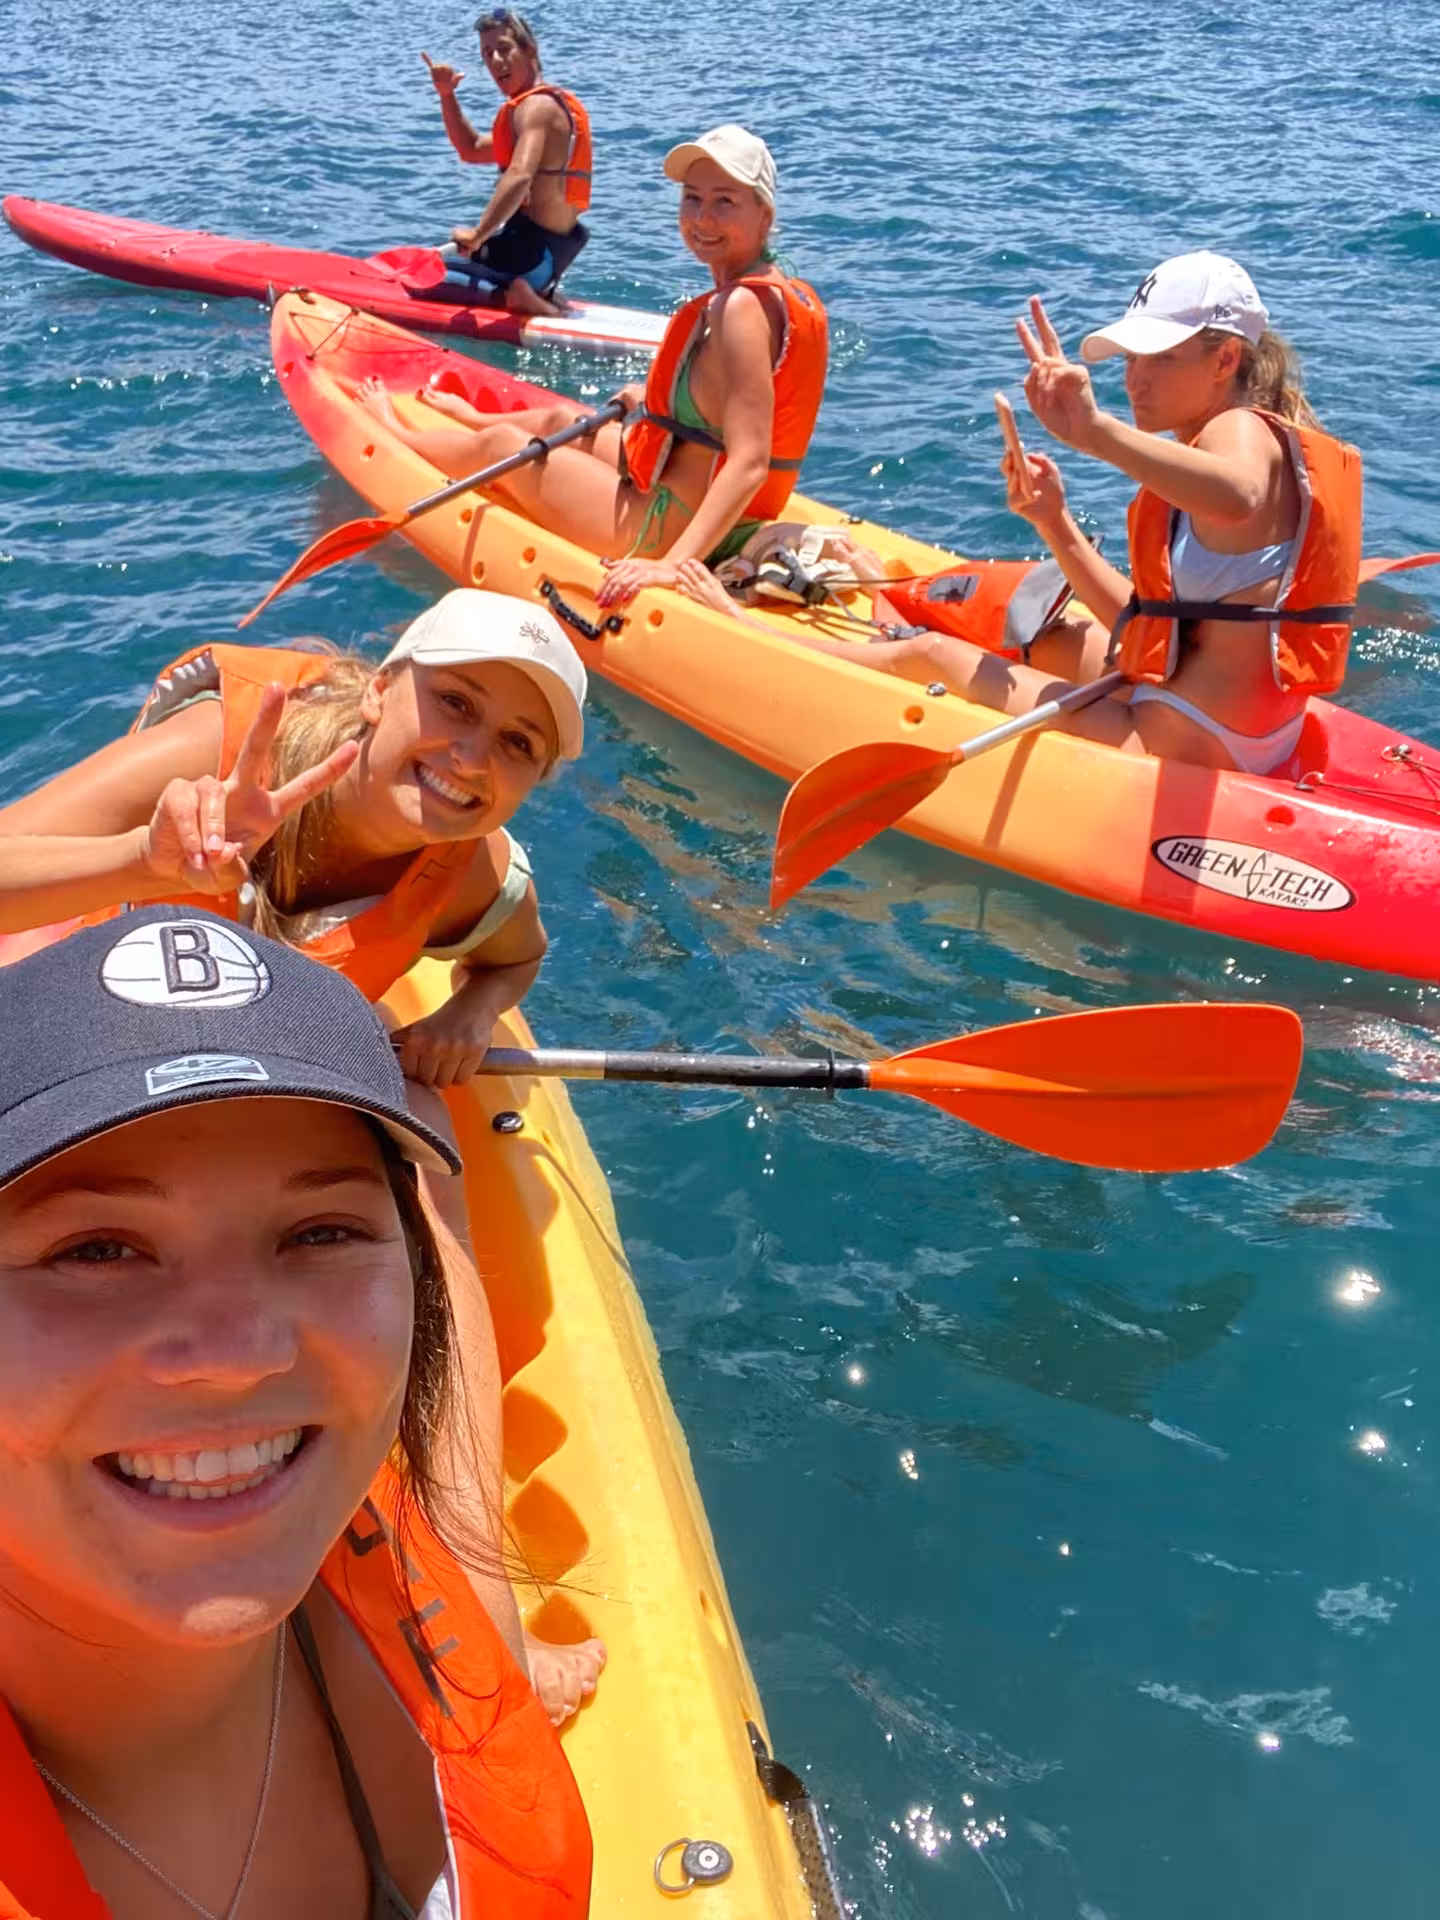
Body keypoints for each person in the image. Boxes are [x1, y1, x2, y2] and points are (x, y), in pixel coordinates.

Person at [0, 905, 592, 1916]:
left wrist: (431, 1168)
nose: (240, 1357)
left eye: (320, 1232)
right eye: (95, 1249)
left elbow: (438, 1381)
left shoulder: (435, 1580)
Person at [755, 255, 1362, 779]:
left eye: (1160, 360)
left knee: (932, 656)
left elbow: (1239, 493)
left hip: (1185, 743)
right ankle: (889, 603)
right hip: (1248, 734)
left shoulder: (1238, 431)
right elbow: (1145, 623)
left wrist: (1094, 432)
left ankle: (750, 636)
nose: (1135, 379)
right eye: (1129, 359)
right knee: (1053, 637)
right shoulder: (1268, 439)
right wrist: (1052, 518)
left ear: (1226, 358)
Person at [0, 589, 586, 1088]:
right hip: (91, 1025)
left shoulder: (472, 872)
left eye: (519, 744)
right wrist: (143, 863)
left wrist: (471, 1014)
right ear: (380, 691)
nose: (471, 758)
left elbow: (515, 960)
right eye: (455, 702)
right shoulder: (212, 750)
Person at [357, 125, 829, 610]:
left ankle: (401, 435)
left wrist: (670, 567)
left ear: (764, 215)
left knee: (505, 447)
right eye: (691, 198)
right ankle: (471, 419)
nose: (702, 218)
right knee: (562, 422)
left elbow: (750, 460)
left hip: (665, 528)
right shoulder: (781, 290)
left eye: (725, 201)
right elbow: (722, 404)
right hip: (692, 499)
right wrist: (651, 399)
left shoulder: (742, 309)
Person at [422, 10, 592, 317]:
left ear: (529, 50)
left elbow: (519, 176)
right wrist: (446, 95)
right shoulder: (549, 107)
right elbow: (472, 149)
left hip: (530, 256)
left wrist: (478, 235)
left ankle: (515, 297)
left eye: (503, 48)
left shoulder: (535, 108)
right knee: (443, 263)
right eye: (487, 54)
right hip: (550, 257)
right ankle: (538, 293)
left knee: (424, 280)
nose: (495, 61)